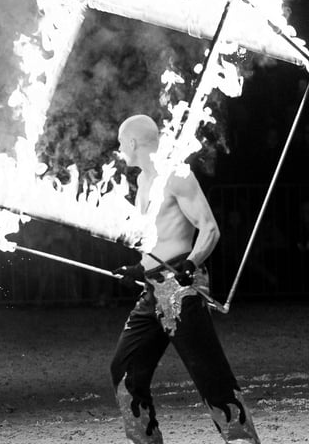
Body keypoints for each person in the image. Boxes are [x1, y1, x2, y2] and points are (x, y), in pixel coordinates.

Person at [111, 115, 260, 444]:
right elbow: (155, 242)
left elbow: (209, 228)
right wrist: (138, 270)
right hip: (153, 289)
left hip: (180, 288)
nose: (120, 149)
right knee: (125, 369)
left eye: (121, 142)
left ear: (133, 142)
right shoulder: (144, 181)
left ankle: (243, 441)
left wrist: (191, 263)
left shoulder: (176, 175)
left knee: (210, 375)